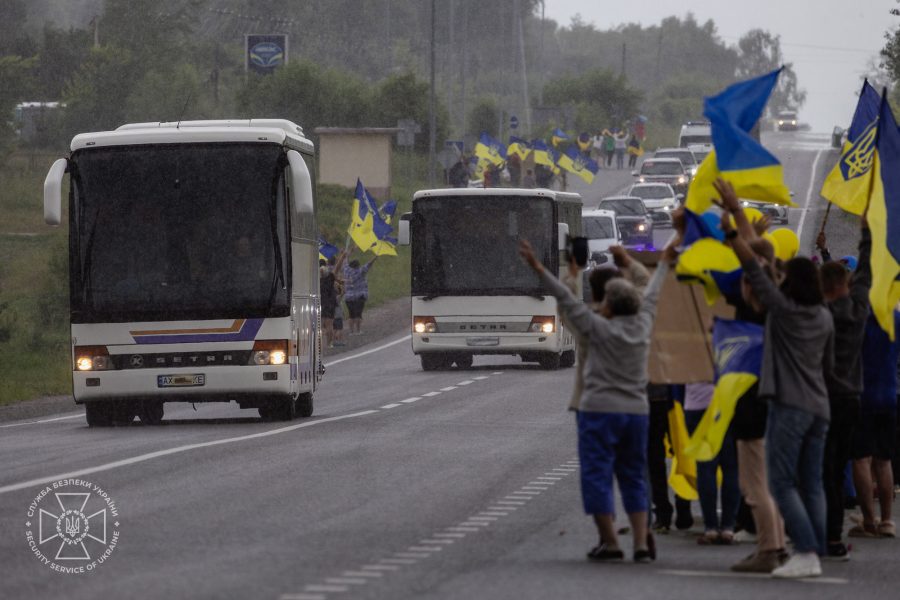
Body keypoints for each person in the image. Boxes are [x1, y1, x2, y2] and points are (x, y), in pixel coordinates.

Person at [519, 234, 680, 564]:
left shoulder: (593, 326)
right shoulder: (643, 325)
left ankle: (610, 541)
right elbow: (651, 288)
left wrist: (542, 268)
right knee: (633, 476)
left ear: (606, 304)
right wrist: (642, 261)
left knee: (597, 475)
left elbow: (564, 299)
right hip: (636, 411)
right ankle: (641, 542)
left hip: (597, 410)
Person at [718, 178, 833, 579]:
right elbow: (766, 266)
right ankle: (815, 552)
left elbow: (754, 268)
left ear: (789, 285)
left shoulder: (783, 312)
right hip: (820, 405)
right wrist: (744, 225)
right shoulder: (823, 316)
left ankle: (805, 551)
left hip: (789, 403)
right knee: (811, 484)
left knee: (781, 483)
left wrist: (733, 222)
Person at [817, 220, 871, 559]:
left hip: (822, 399)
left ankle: (821, 533)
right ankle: (833, 537)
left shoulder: (818, 315)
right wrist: (867, 232)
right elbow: (864, 274)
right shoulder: (859, 310)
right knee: (838, 470)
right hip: (851, 398)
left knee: (821, 470)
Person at [849, 309, 900, 538]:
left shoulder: (860, 318)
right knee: (884, 460)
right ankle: (887, 520)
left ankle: (869, 521)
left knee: (861, 458)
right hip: (890, 393)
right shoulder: (896, 318)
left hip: (863, 394)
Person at [684, 382, 741, 545]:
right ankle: (728, 527)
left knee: (705, 468)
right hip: (728, 402)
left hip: (697, 404)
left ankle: (710, 527)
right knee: (731, 467)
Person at [343, 256, 377, 335]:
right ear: (358, 266)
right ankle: (358, 331)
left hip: (348, 297)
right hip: (360, 296)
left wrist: (345, 255)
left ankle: (351, 331)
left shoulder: (346, 270)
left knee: (351, 315)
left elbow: (345, 262)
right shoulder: (360, 271)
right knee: (358, 314)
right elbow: (368, 264)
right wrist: (375, 257)